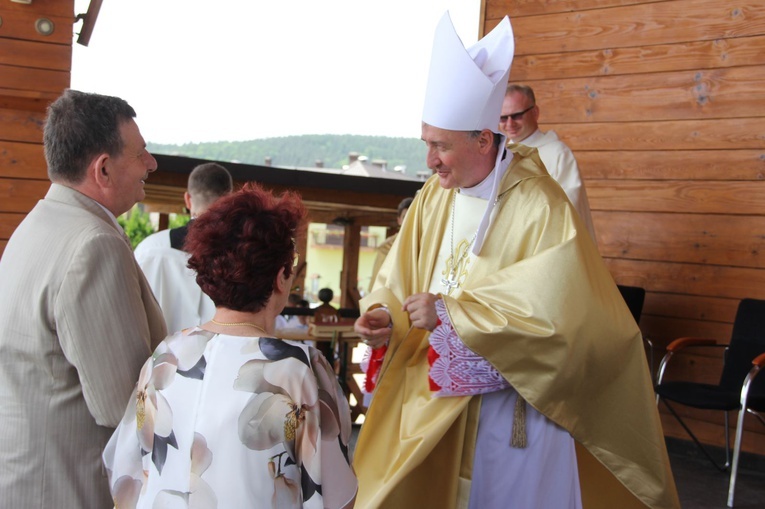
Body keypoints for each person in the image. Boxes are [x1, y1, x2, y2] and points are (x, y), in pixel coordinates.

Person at [352, 12, 679, 509]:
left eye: (440, 146)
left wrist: (452, 314)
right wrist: (384, 314)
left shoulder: (540, 203)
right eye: (426, 144)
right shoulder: (434, 197)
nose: (430, 161)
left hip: (513, 404)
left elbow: (560, 313)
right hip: (435, 392)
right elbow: (400, 275)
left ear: (484, 141)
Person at [103, 183, 357, 508]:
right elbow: (337, 496)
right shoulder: (299, 368)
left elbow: (124, 474)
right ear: (281, 277)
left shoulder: (165, 355)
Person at [0, 89, 167, 508]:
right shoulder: (94, 245)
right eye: (141, 153)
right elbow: (122, 404)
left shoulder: (37, 224)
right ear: (104, 169)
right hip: (65, 487)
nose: (152, 164)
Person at [134, 162, 234, 332]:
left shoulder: (150, 249)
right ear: (231, 200)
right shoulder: (243, 252)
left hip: (160, 355)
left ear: (188, 199)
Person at [500, 83, 597, 239]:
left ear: (535, 112)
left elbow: (568, 209)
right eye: (503, 118)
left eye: (517, 115)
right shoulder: (501, 157)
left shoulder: (558, 153)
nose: (510, 124)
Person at [368, 197, 413, 293]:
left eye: (413, 216)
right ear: (399, 220)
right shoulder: (387, 247)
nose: (409, 220)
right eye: (405, 217)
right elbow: (377, 283)